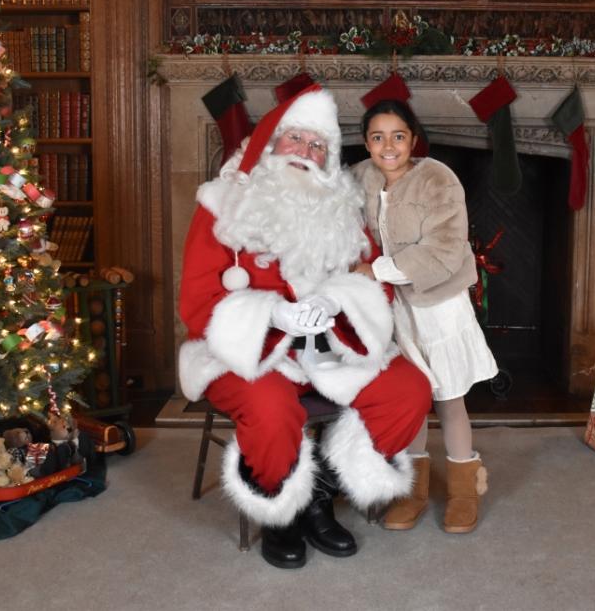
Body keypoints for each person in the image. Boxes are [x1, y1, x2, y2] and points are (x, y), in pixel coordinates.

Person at [178, 86, 432, 569]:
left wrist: (334, 304)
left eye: (319, 146)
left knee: (410, 388)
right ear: (271, 142)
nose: (307, 153)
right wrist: (272, 315)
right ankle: (281, 514)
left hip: (326, 348)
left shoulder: (341, 212)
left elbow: (371, 287)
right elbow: (196, 302)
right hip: (243, 350)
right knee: (270, 406)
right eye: (297, 139)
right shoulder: (221, 205)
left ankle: (318, 493)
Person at [351, 100, 498, 534]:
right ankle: (411, 490)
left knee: (449, 399)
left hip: (437, 306)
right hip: (393, 309)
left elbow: (445, 248)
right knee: (411, 400)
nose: (388, 146)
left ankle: (463, 491)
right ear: (367, 143)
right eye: (378, 137)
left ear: (413, 139)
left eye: (398, 136)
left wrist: (375, 269)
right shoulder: (360, 177)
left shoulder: (438, 179)